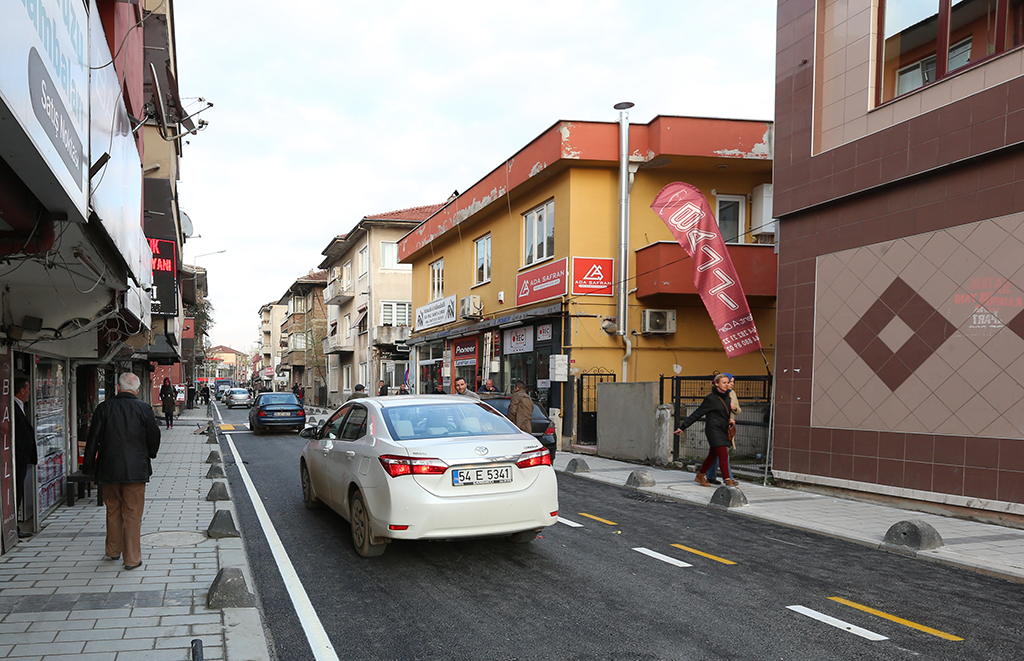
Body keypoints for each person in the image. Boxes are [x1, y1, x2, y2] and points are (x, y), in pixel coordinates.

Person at [82, 372, 162, 570]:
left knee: (113, 509)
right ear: (136, 390)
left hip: (109, 469)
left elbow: (92, 440)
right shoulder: (144, 409)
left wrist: (89, 467)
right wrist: (149, 454)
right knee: (133, 514)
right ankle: (132, 558)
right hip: (135, 470)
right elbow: (154, 436)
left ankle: (112, 550)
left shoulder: (104, 408)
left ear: (118, 388)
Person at [674, 373, 738, 487]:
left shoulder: (727, 397)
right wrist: (683, 427)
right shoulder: (710, 398)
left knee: (712, 455)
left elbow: (723, 414)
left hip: (723, 429)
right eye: (724, 383)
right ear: (716, 384)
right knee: (723, 454)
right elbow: (697, 413)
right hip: (713, 430)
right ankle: (728, 480)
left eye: (727, 382)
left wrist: (730, 421)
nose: (727, 385)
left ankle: (700, 475)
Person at [13, 377, 38, 539]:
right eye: (28, 389)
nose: (29, 393)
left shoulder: (19, 406)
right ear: (22, 390)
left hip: (21, 458)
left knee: (19, 491)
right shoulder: (12, 407)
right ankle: (13, 527)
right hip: (16, 458)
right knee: (16, 492)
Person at [706, 373, 741, 485]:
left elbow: (738, 410)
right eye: (728, 382)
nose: (730, 384)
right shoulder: (716, 396)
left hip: (728, 428)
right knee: (723, 453)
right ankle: (728, 478)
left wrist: (735, 408)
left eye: (732, 382)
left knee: (716, 454)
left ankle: (708, 475)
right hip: (717, 428)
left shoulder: (732, 394)